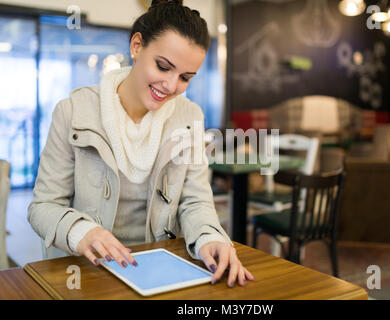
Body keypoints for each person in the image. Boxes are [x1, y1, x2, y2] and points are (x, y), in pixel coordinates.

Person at [28, 0, 254, 288]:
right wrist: (79, 230)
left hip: (156, 270)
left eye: (185, 77)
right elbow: (43, 206)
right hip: (86, 272)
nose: (171, 86)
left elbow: (196, 200)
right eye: (163, 66)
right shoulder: (73, 111)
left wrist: (211, 237)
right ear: (137, 46)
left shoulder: (190, 116)